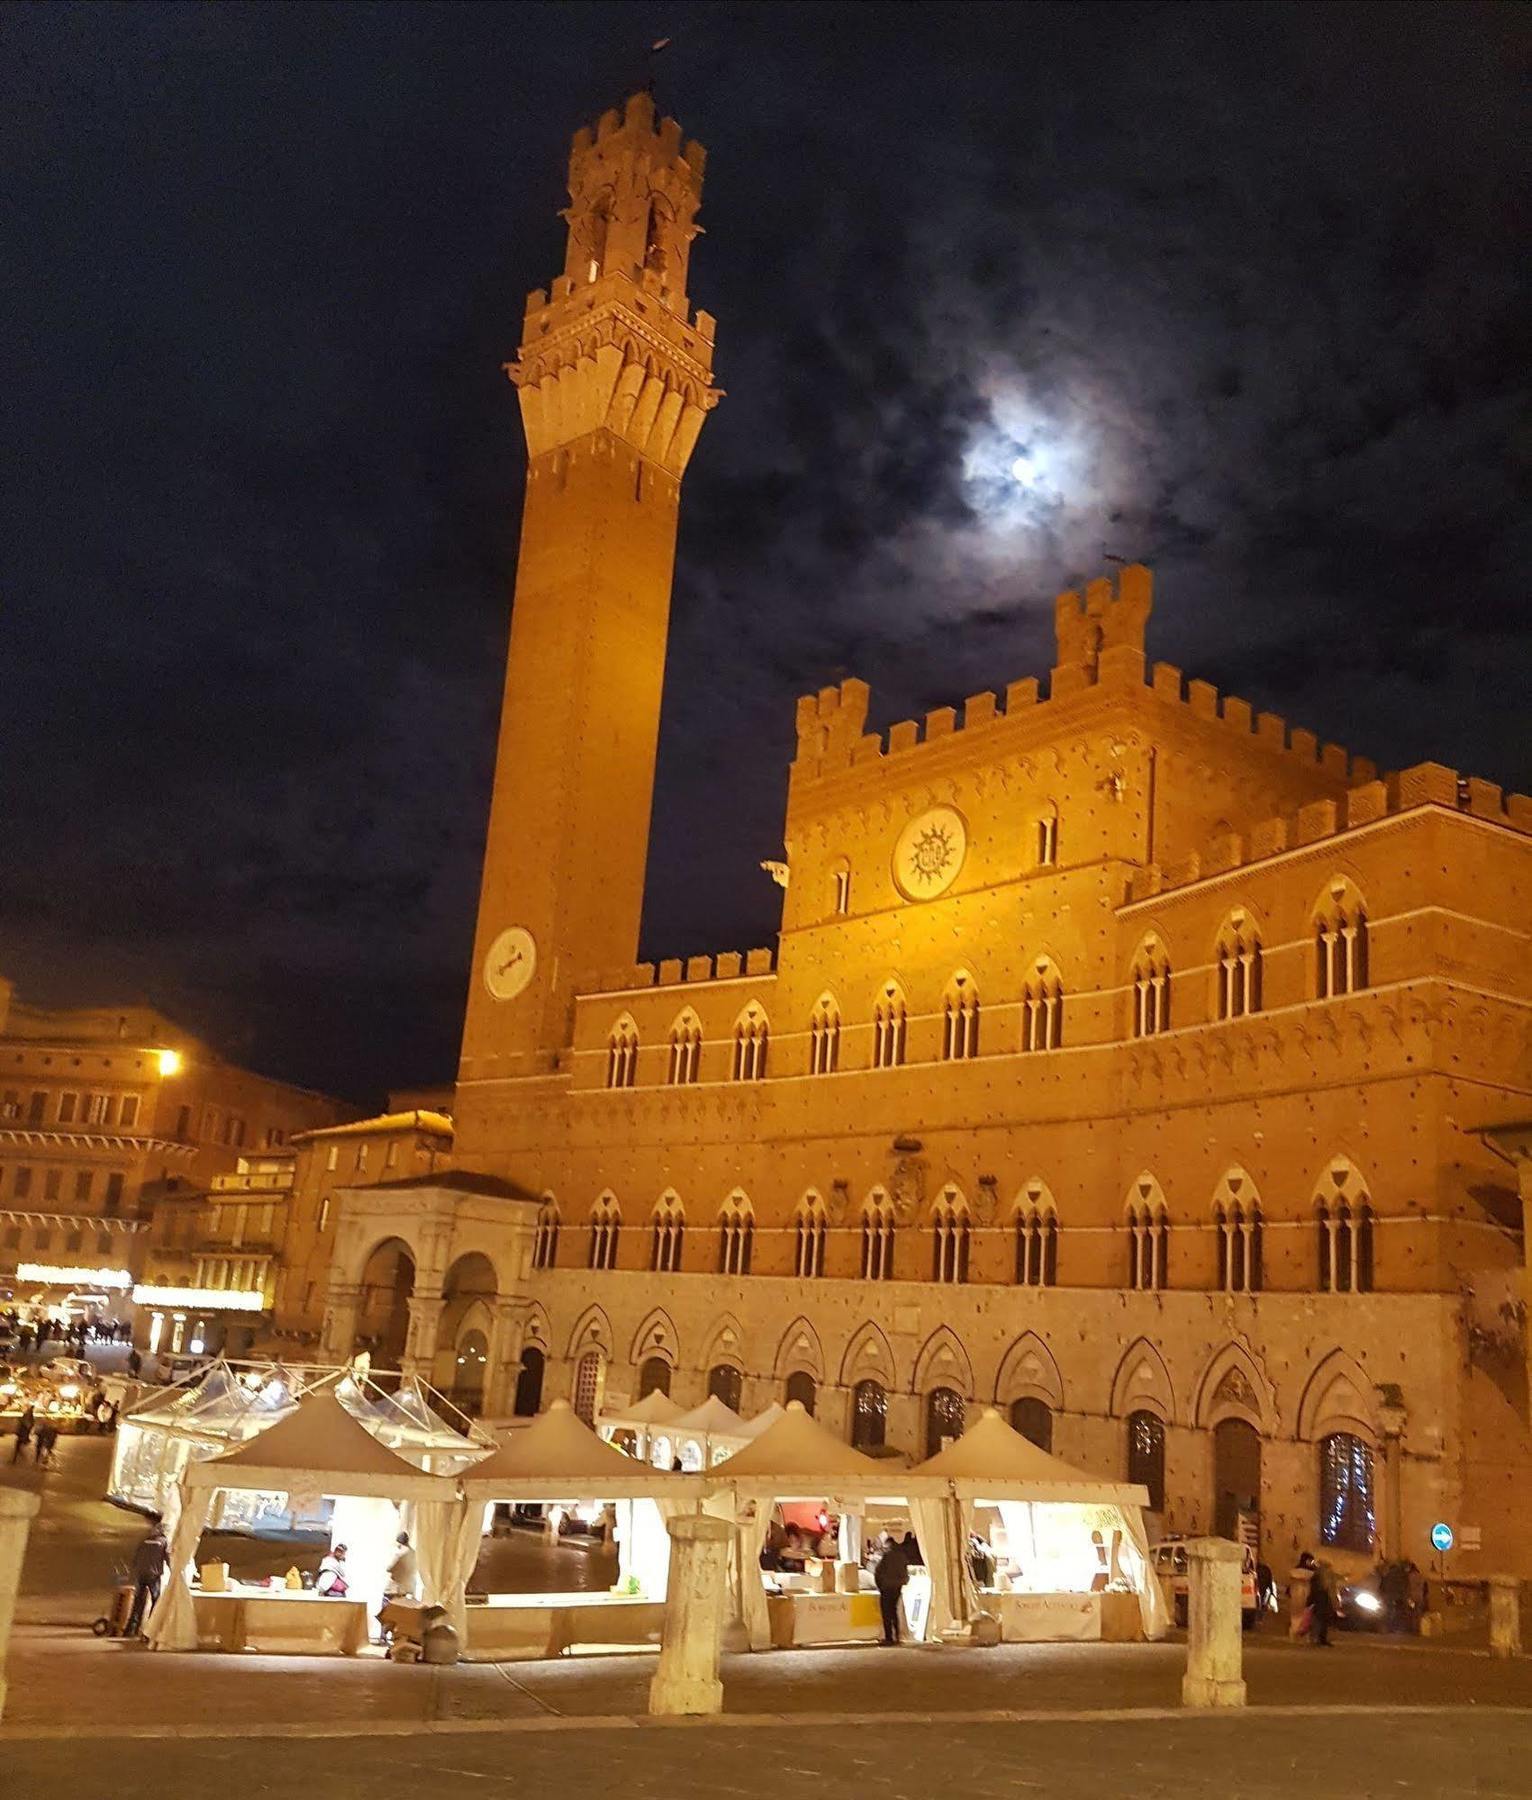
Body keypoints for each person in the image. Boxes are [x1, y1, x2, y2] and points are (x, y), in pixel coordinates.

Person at [124, 1523, 169, 1637]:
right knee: (155, 1601)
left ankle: (130, 1630)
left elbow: (135, 1558)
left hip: (141, 1573)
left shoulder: (144, 1541)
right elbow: (168, 1559)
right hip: (153, 1575)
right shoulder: (163, 1542)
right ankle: (149, 1630)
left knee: (138, 1602)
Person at [874, 1533, 909, 1646]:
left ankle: (889, 1637)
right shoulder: (902, 1556)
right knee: (894, 1611)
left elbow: (878, 1572)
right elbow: (905, 1572)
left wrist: (880, 1586)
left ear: (888, 1545)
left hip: (887, 1587)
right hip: (897, 1587)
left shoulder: (887, 1556)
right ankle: (897, 1635)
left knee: (886, 1613)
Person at [1308, 1558, 1336, 1647]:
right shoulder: (1318, 1576)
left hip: (1323, 1599)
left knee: (1322, 1620)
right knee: (1319, 1619)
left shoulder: (1323, 1575)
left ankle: (1321, 1638)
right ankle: (1318, 1638)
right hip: (1320, 1599)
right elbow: (1315, 1588)